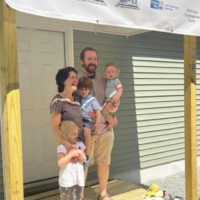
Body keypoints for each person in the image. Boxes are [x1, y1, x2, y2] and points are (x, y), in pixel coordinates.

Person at [79, 47, 117, 200]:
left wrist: (114, 109)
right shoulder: (78, 82)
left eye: (94, 59)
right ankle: (79, 197)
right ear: (82, 61)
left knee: (104, 163)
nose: (92, 62)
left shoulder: (104, 80)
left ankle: (103, 193)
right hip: (86, 132)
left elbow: (112, 99)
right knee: (83, 165)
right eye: (89, 59)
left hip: (104, 131)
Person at [50, 67, 84, 155]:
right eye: (72, 77)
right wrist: (68, 146)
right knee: (70, 169)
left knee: (83, 168)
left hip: (81, 145)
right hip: (68, 146)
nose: (76, 80)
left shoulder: (77, 96)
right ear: (63, 81)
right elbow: (55, 128)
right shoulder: (58, 101)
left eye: (76, 77)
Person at [57, 120, 86, 200]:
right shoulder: (62, 147)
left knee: (78, 198)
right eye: (74, 134)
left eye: (77, 133)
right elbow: (60, 163)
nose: (76, 135)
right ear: (65, 135)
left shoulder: (80, 145)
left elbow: (84, 160)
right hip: (66, 180)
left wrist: (83, 157)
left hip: (78, 178)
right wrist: (70, 155)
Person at [77, 76, 101, 164]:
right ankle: (78, 153)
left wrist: (97, 123)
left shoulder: (92, 99)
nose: (83, 91)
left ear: (89, 89)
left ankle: (87, 154)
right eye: (81, 89)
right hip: (77, 121)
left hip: (86, 121)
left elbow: (98, 111)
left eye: (85, 89)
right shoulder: (77, 98)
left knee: (87, 135)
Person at [101, 62, 123, 129]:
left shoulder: (115, 80)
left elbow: (120, 89)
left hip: (113, 98)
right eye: (108, 72)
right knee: (111, 110)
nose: (111, 73)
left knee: (104, 111)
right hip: (109, 99)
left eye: (113, 72)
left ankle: (111, 122)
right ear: (105, 74)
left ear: (116, 73)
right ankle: (115, 120)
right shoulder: (107, 81)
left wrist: (117, 96)